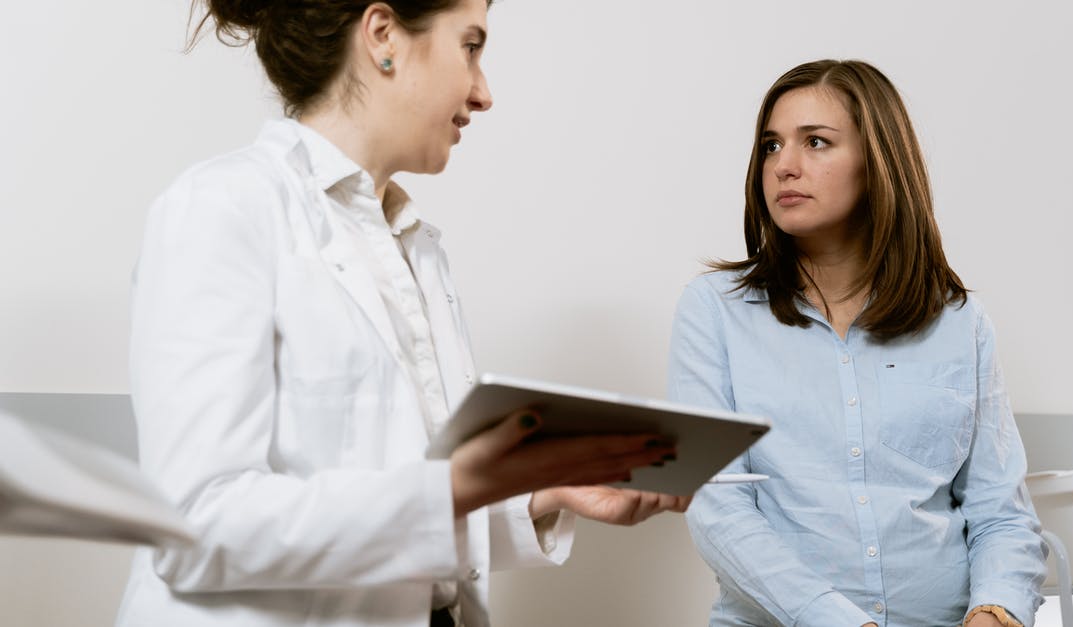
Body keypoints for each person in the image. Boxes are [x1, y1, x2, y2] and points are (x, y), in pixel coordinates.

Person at [115, 1, 689, 626]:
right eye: (470, 47)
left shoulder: (413, 246)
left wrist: (540, 492)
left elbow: (404, 520)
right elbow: (196, 525)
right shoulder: (221, 208)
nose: (484, 91)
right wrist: (454, 486)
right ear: (384, 35)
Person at [668, 59, 1047, 627]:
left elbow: (999, 511)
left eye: (815, 142)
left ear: (878, 164)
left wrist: (995, 612)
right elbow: (716, 505)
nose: (784, 167)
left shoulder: (960, 323)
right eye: (771, 146)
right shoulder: (714, 311)